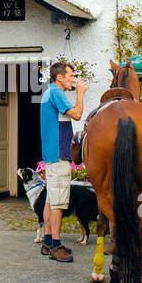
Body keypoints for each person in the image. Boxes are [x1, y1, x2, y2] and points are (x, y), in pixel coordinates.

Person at [39, 61, 87, 263]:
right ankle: (56, 246)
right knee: (58, 202)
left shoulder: (48, 92)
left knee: (51, 199)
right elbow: (77, 114)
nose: (73, 80)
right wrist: (81, 93)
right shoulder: (56, 93)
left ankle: (48, 241)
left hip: (51, 154)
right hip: (59, 154)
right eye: (70, 76)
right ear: (59, 77)